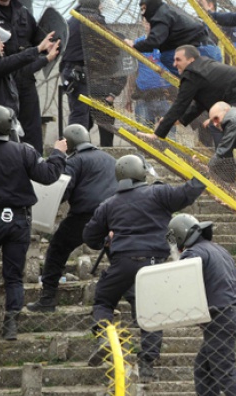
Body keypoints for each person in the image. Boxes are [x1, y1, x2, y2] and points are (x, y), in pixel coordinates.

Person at [82, 155, 206, 380]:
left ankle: (104, 337)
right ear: (141, 172)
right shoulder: (159, 193)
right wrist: (200, 173)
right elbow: (188, 192)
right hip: (153, 264)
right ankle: (147, 363)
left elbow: (89, 237)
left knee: (103, 300)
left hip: (123, 263)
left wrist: (107, 238)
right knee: (151, 311)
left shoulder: (108, 204)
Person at [0, 104, 67, 340]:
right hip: (19, 219)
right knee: (13, 276)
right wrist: (58, 153)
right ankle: (11, 324)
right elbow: (48, 176)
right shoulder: (25, 151)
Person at [167, 213, 236, 396]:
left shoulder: (193, 254)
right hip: (233, 314)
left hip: (219, 317)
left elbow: (181, 285)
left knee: (224, 368)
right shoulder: (220, 250)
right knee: (203, 366)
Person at [27, 124, 118, 313]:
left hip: (86, 217)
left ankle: (47, 299)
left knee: (57, 249)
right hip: (114, 217)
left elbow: (64, 190)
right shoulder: (109, 159)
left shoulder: (74, 161)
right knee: (119, 259)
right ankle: (136, 308)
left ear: (68, 143)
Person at [141, 45, 236, 142]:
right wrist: (179, 120)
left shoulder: (192, 73)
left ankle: (222, 171)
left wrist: (158, 134)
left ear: (191, 60)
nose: (174, 64)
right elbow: (199, 104)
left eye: (178, 60)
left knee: (217, 123)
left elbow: (180, 104)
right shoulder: (205, 67)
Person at [0, 0, 53, 154]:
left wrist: (45, 55)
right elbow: (6, 64)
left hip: (24, 79)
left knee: (31, 131)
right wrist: (38, 51)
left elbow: (36, 38)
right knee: (2, 131)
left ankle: (34, 166)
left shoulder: (22, 11)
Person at [60, 0, 126, 147]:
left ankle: (75, 149)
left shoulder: (75, 17)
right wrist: (123, 42)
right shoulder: (92, 18)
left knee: (81, 114)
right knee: (81, 116)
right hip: (79, 73)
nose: (103, 6)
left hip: (73, 72)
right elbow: (109, 43)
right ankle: (76, 150)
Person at [126, 0, 221, 76]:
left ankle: (190, 82)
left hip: (202, 50)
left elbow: (154, 41)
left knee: (166, 57)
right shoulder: (169, 11)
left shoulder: (160, 16)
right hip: (211, 50)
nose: (143, 13)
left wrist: (134, 45)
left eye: (144, 9)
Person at [0, 27, 59, 120]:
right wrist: (38, 48)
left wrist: (47, 58)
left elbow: (22, 70)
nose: (2, 45)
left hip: (5, 122)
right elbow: (15, 60)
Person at [125, 17, 176, 137]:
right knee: (143, 137)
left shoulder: (169, 44)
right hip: (144, 97)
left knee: (169, 138)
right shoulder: (137, 44)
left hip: (166, 97)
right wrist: (128, 97)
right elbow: (132, 73)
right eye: (147, 21)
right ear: (143, 23)